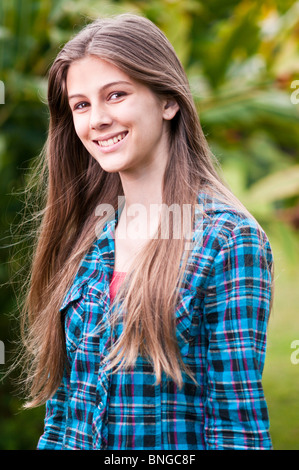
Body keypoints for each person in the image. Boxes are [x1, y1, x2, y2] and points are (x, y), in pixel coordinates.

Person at [20, 13, 274, 450]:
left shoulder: (227, 241)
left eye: (115, 95)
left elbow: (237, 429)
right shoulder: (87, 236)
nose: (96, 119)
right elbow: (62, 420)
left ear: (168, 102)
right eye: (81, 104)